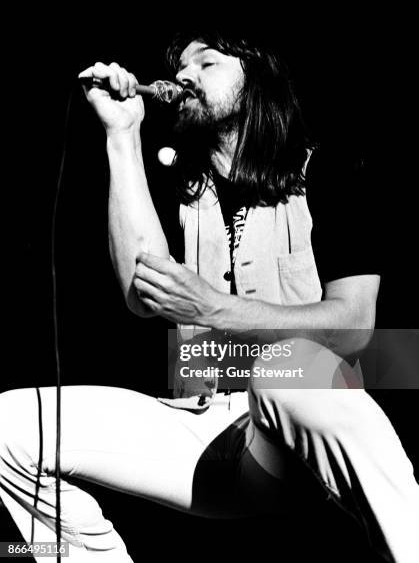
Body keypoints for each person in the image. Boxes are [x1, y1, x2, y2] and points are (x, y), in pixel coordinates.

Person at [0, 30, 418, 562]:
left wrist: (212, 309)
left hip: (303, 429)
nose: (183, 75)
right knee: (9, 424)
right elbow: (140, 293)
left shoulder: (332, 171)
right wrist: (122, 136)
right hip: (206, 435)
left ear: (258, 78)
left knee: (285, 367)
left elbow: (356, 325)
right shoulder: (179, 182)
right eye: (180, 66)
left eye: (208, 62)